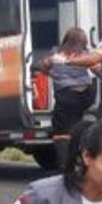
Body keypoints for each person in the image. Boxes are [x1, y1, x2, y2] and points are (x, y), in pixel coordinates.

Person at [39, 27, 95, 167]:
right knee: (76, 125)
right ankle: (79, 160)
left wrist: (50, 70)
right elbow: (96, 68)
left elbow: (44, 67)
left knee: (61, 132)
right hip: (86, 94)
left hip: (67, 94)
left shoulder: (56, 53)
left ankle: (65, 165)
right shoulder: (86, 54)